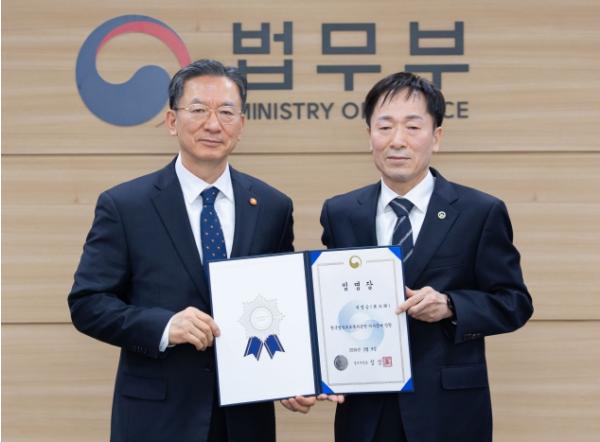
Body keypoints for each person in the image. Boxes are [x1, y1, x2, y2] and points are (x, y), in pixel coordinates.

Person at [68, 59, 294, 442]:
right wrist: (165, 327)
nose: (213, 124)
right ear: (172, 120)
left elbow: (283, 303)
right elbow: (87, 303)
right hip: (157, 418)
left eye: (226, 112)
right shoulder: (126, 206)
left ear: (241, 125)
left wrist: (294, 375)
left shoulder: (272, 206)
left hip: (244, 419)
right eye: (199, 110)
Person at [318, 72, 533, 442]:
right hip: (366, 411)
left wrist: (450, 305)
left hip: (448, 411)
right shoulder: (341, 212)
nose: (397, 140)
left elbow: (514, 303)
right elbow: (328, 304)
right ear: (369, 135)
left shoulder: (479, 212)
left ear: (436, 136)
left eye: (413, 127)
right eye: (385, 126)